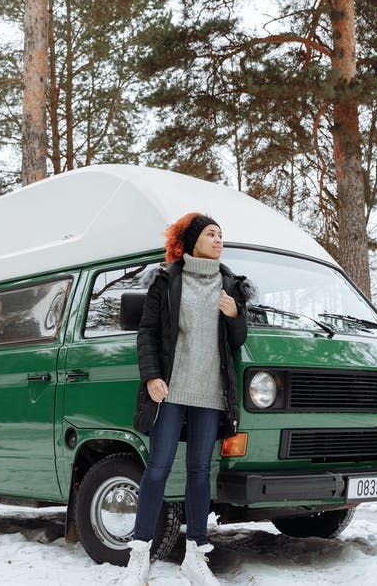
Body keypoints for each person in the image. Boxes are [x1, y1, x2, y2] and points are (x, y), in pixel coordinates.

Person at [120, 213, 250, 586]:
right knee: (157, 468)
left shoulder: (230, 284)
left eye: (221, 234)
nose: (219, 239)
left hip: (210, 392)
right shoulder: (167, 280)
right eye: (211, 234)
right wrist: (151, 377)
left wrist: (234, 314)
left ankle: (195, 557)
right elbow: (147, 333)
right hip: (171, 390)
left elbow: (237, 340)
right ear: (193, 240)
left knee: (199, 472)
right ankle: (139, 557)